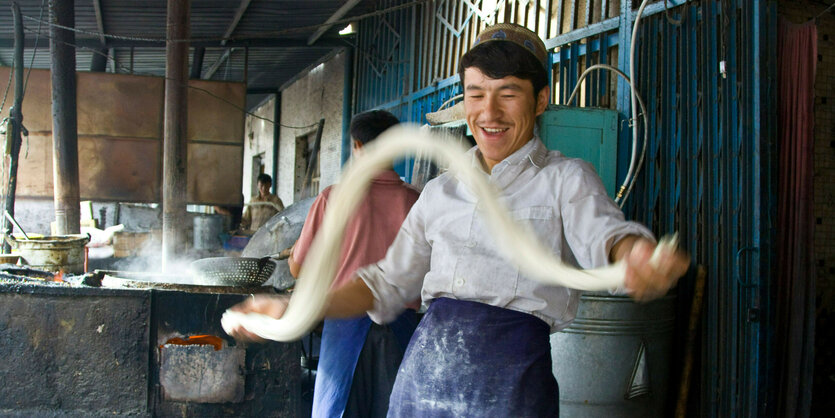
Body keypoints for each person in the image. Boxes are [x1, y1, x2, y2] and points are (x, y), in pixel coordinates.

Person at [227, 23, 690, 416]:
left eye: (508, 94)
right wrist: (300, 307)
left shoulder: (565, 179)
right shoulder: (439, 192)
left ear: (541, 100)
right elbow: (384, 284)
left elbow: (607, 236)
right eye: (477, 94)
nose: (489, 113)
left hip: (512, 384)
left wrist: (636, 256)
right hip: (424, 377)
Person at [286, 110, 420, 417]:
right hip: (402, 326)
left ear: (356, 146)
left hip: (345, 322)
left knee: (338, 408)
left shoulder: (335, 198)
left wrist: (295, 252)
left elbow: (299, 268)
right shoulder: (417, 200)